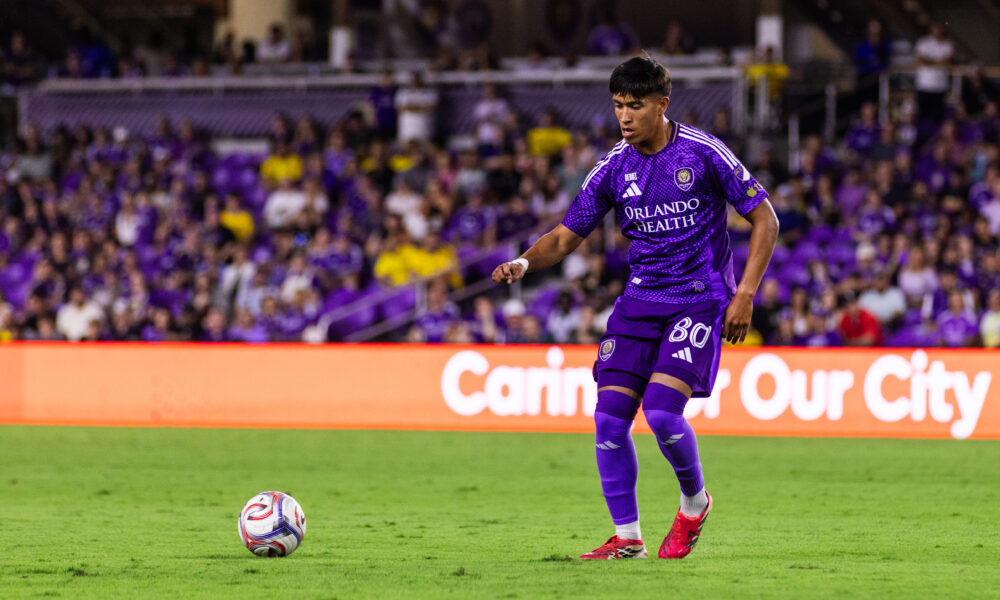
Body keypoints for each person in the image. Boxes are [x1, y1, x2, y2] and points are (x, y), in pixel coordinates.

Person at [492, 56, 779, 560]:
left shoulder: (703, 153)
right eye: (618, 105)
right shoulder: (613, 167)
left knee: (663, 415)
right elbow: (564, 237)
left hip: (697, 299)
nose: (624, 116)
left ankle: (694, 503)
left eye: (635, 105)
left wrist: (745, 293)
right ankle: (628, 540)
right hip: (639, 303)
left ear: (661, 105)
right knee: (608, 422)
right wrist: (522, 262)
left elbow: (765, 219)